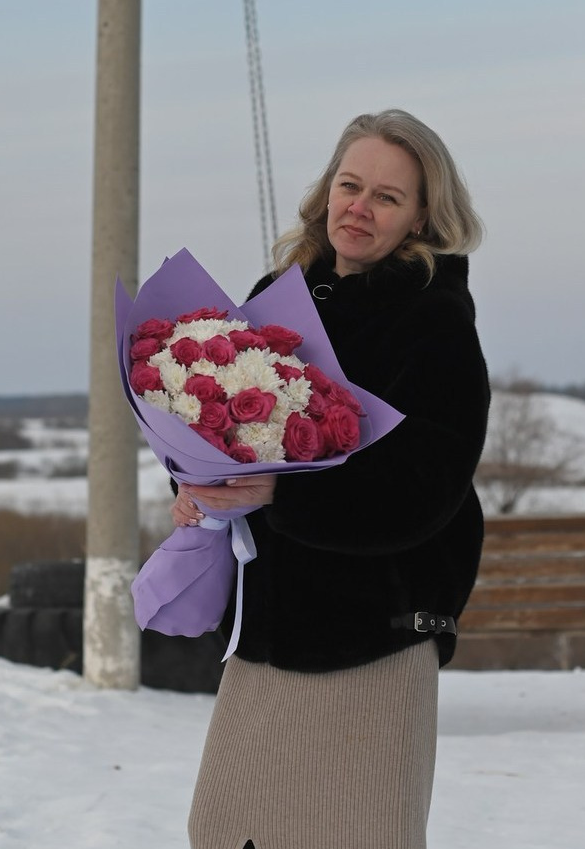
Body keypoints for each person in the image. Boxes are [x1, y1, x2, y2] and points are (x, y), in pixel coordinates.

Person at [174, 108, 490, 849]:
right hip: (271, 628)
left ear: (421, 217)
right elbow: (228, 430)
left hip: (376, 633)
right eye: (351, 184)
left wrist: (288, 491)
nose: (360, 206)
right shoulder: (277, 293)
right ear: (326, 193)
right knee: (225, 830)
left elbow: (427, 485)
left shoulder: (433, 318)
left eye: (387, 196)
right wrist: (200, 487)